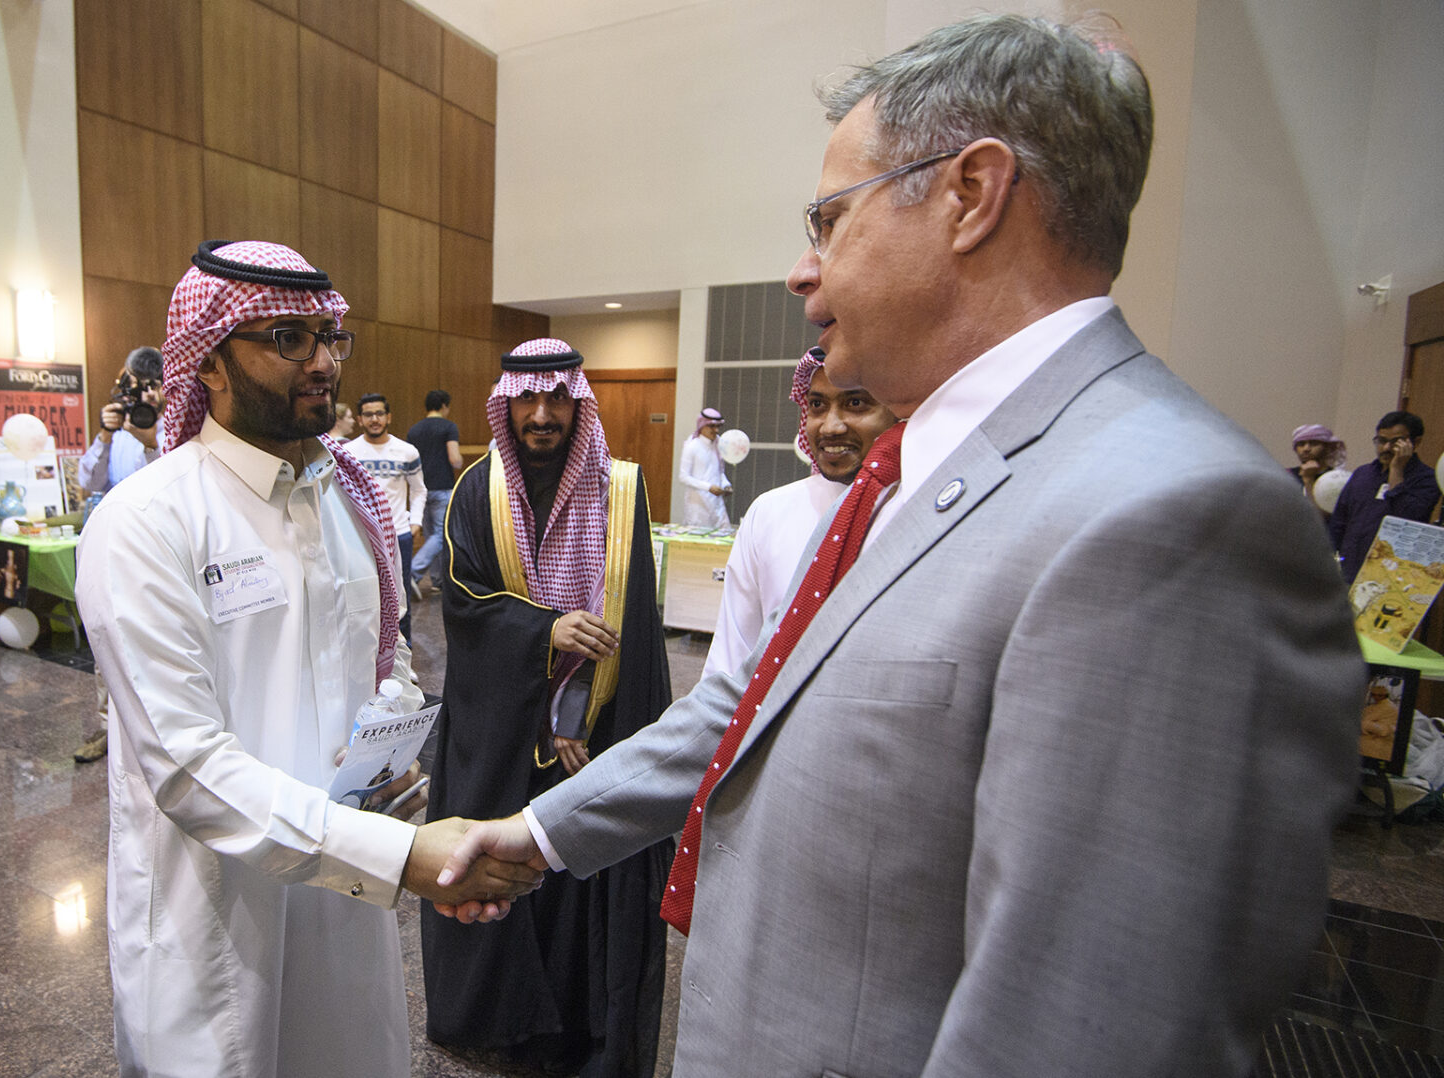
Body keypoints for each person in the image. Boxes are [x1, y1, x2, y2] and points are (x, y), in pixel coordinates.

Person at [434, 17, 1361, 1077]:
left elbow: (1081, 1028)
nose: (801, 269)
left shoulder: (1172, 518)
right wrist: (541, 832)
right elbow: (754, 707)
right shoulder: (922, 466)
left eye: (830, 219)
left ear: (971, 195)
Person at [74, 240, 539, 1077]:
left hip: (348, 894)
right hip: (217, 916)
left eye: (329, 336)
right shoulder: (146, 519)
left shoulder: (346, 499)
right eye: (289, 338)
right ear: (209, 361)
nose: (322, 360)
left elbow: (383, 654)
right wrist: (401, 858)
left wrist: (392, 757)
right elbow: (185, 766)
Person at [423, 337, 673, 1076]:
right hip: (507, 737)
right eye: (525, 400)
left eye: (556, 398)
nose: (540, 415)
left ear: (577, 401)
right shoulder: (477, 489)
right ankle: (498, 1020)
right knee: (502, 878)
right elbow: (466, 611)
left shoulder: (622, 490)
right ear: (507, 403)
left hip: (596, 727)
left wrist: (585, 717)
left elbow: (634, 620)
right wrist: (544, 636)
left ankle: (585, 1022)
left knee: (582, 880)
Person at [703, 347, 897, 677]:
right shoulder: (769, 511)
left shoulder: (919, 510)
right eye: (817, 405)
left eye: (855, 403)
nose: (830, 426)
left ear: (896, 411)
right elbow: (731, 661)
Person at [72, 346, 168, 762]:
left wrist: (150, 438)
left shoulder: (176, 426)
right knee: (105, 638)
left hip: (159, 551)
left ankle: (155, 735)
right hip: (113, 548)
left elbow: (173, 481)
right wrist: (106, 436)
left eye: (150, 388)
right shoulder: (116, 424)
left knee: (157, 644)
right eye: (135, 386)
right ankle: (108, 730)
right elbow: (90, 482)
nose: (141, 397)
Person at [345, 391, 425, 641]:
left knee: (400, 597)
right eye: (368, 415)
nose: (374, 419)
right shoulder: (349, 452)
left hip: (399, 535)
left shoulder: (407, 451)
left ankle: (405, 653)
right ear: (360, 420)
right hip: (361, 536)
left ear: (388, 417)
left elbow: (420, 490)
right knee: (365, 595)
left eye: (379, 413)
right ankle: (370, 654)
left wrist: (415, 523)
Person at [1329, 409, 1439, 581]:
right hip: (1348, 569)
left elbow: (1406, 519)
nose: (1386, 448)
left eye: (1396, 442)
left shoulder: (1427, 479)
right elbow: (1339, 520)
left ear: (1415, 443)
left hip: (1393, 576)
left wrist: (1397, 469)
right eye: (1381, 441)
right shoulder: (1362, 474)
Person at [79, 344, 165, 496]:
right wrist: (105, 436)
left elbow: (169, 489)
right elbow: (90, 483)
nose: (149, 393)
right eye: (139, 386)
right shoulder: (118, 435)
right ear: (126, 392)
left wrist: (150, 445)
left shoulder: (175, 433)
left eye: (154, 385)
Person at [405, 388, 463, 595]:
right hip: (442, 487)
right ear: (444, 406)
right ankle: (411, 572)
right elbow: (455, 459)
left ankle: (437, 581)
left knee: (431, 535)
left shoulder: (414, 430)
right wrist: (461, 463)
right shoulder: (448, 427)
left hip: (420, 489)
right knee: (440, 536)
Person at [678, 405, 730, 527]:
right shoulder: (692, 446)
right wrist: (709, 487)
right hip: (698, 504)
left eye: (718, 426)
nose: (716, 430)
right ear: (701, 426)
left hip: (717, 504)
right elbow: (683, 476)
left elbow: (719, 471)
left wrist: (726, 485)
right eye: (712, 426)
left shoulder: (718, 444)